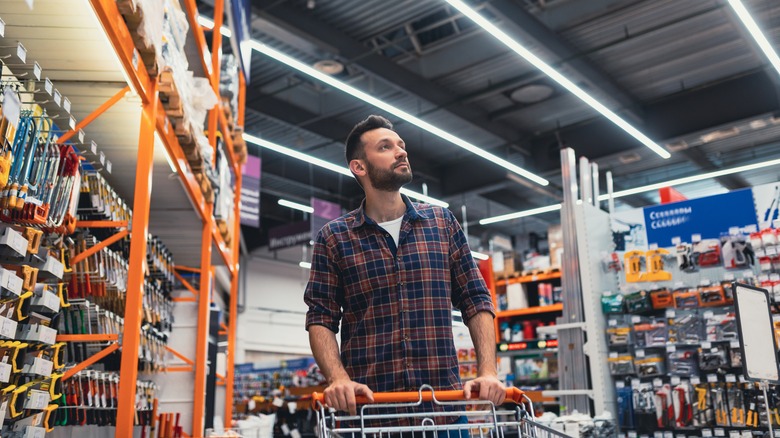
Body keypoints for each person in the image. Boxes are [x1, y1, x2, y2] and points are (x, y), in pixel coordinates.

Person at [303, 115, 505, 429]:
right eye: (385, 147)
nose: (401, 152)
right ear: (359, 166)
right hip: (369, 419)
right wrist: (338, 379)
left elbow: (476, 300)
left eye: (401, 145)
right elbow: (321, 317)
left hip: (443, 414)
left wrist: (488, 371)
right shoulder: (335, 237)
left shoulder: (441, 223)